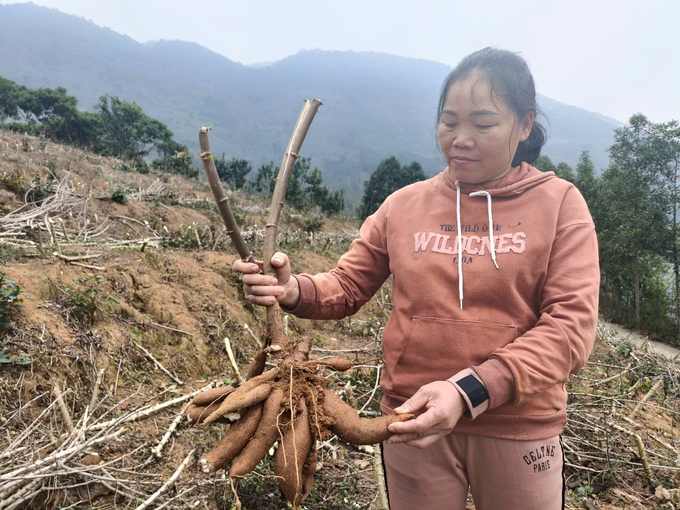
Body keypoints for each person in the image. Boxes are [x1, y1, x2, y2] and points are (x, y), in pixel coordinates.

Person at [233, 47, 599, 510]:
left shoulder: (560, 204)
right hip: (411, 419)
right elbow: (346, 286)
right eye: (449, 122)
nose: (460, 138)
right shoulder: (404, 205)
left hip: (518, 424)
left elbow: (571, 328)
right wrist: (293, 290)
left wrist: (468, 391)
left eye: (483, 124)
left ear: (524, 125)